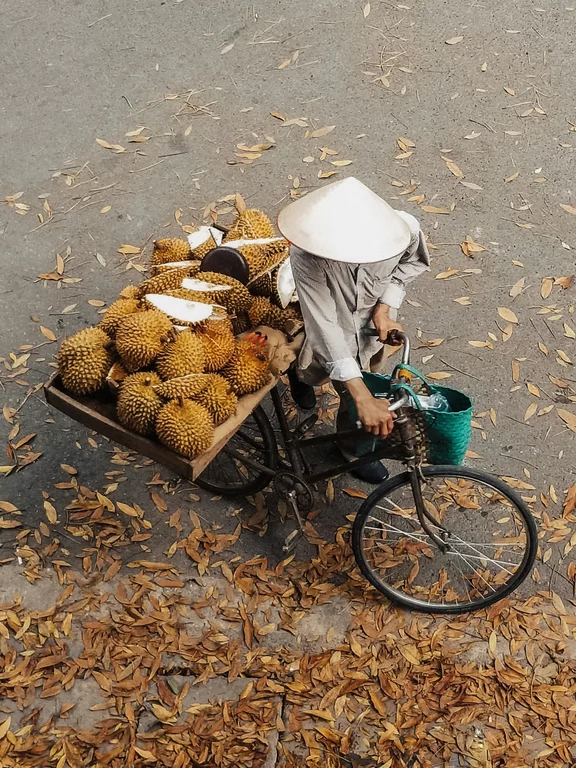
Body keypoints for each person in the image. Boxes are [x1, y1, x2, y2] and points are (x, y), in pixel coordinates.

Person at [277, 176, 430, 484]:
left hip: (371, 329)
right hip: (333, 325)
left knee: (367, 384)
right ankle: (299, 377)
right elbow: (323, 324)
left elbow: (410, 264)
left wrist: (384, 308)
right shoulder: (307, 255)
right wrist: (361, 396)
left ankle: (351, 451)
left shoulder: (404, 230)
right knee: (334, 378)